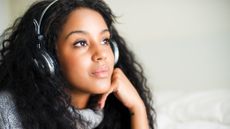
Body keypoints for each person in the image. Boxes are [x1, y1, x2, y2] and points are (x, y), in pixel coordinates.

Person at [0, 0, 156, 129]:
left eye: (105, 40)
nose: (101, 54)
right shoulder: (7, 112)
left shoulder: (112, 111)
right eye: (81, 43)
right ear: (46, 58)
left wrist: (137, 108)